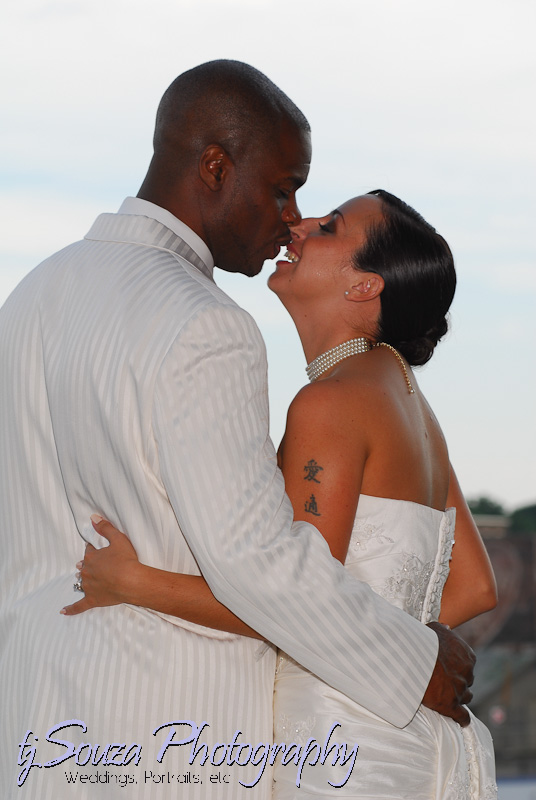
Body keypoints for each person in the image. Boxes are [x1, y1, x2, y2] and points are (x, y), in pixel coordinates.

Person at [0, 60, 474, 799]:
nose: (291, 215)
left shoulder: (29, 300)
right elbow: (255, 561)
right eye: (283, 187)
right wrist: (412, 661)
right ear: (215, 166)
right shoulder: (206, 325)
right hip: (177, 736)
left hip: (37, 730)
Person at [65, 191, 498, 798]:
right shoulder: (412, 405)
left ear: (363, 288)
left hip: (340, 743)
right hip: (416, 739)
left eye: (331, 227)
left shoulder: (332, 402)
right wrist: (401, 648)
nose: (299, 224)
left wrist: (130, 583)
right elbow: (475, 586)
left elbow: (289, 598)